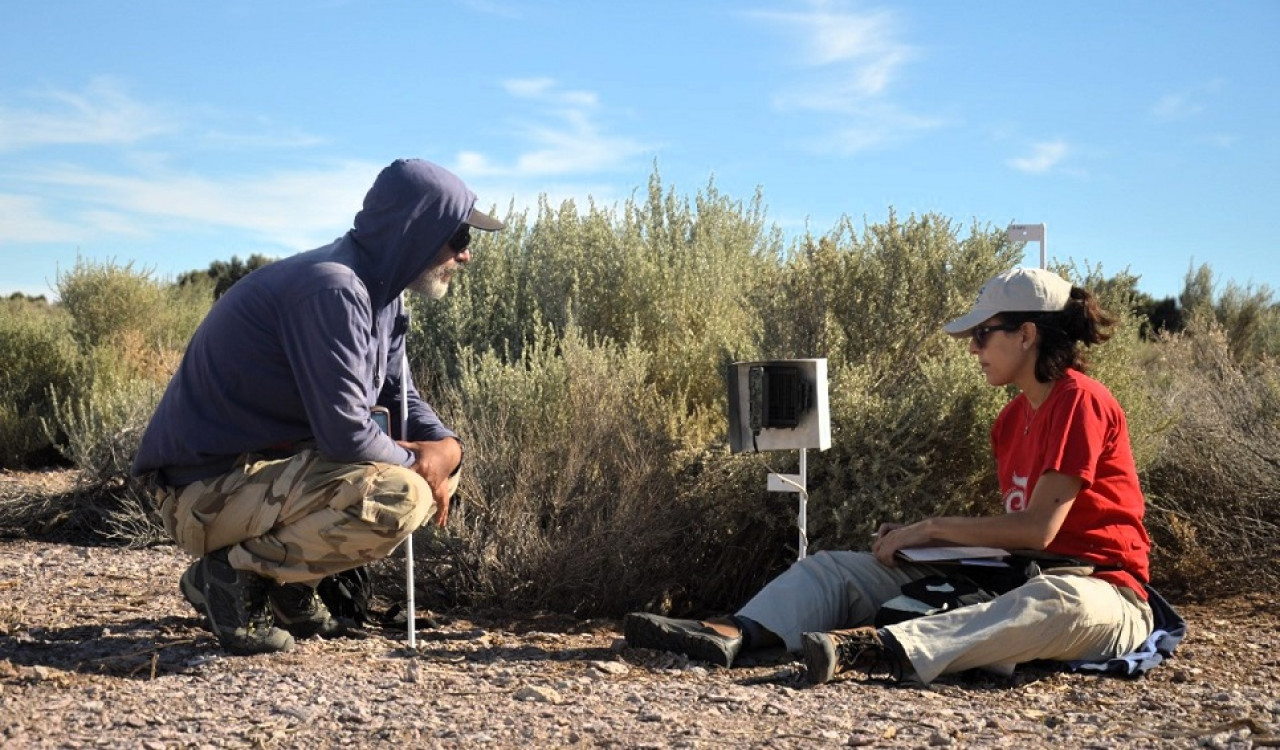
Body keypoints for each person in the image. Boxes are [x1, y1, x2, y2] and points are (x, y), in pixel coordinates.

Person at [624, 267, 1156, 686]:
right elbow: (1021, 542)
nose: (971, 347)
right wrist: (925, 548)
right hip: (1019, 575)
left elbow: (1038, 530)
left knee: (1053, 604)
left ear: (1027, 335)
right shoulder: (1011, 419)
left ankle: (878, 647)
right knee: (833, 569)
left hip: (1106, 593)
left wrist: (929, 529)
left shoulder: (1081, 401)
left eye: (982, 333)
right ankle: (733, 633)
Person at [132, 158, 504, 655]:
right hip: (201, 495)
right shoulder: (335, 291)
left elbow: (399, 398)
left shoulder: (379, 294)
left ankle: (289, 592)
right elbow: (346, 435)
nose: (466, 255)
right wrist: (421, 464)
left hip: (255, 479)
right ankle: (231, 574)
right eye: (460, 238)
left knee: (436, 470)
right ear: (418, 231)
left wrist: (449, 449)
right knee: (403, 495)